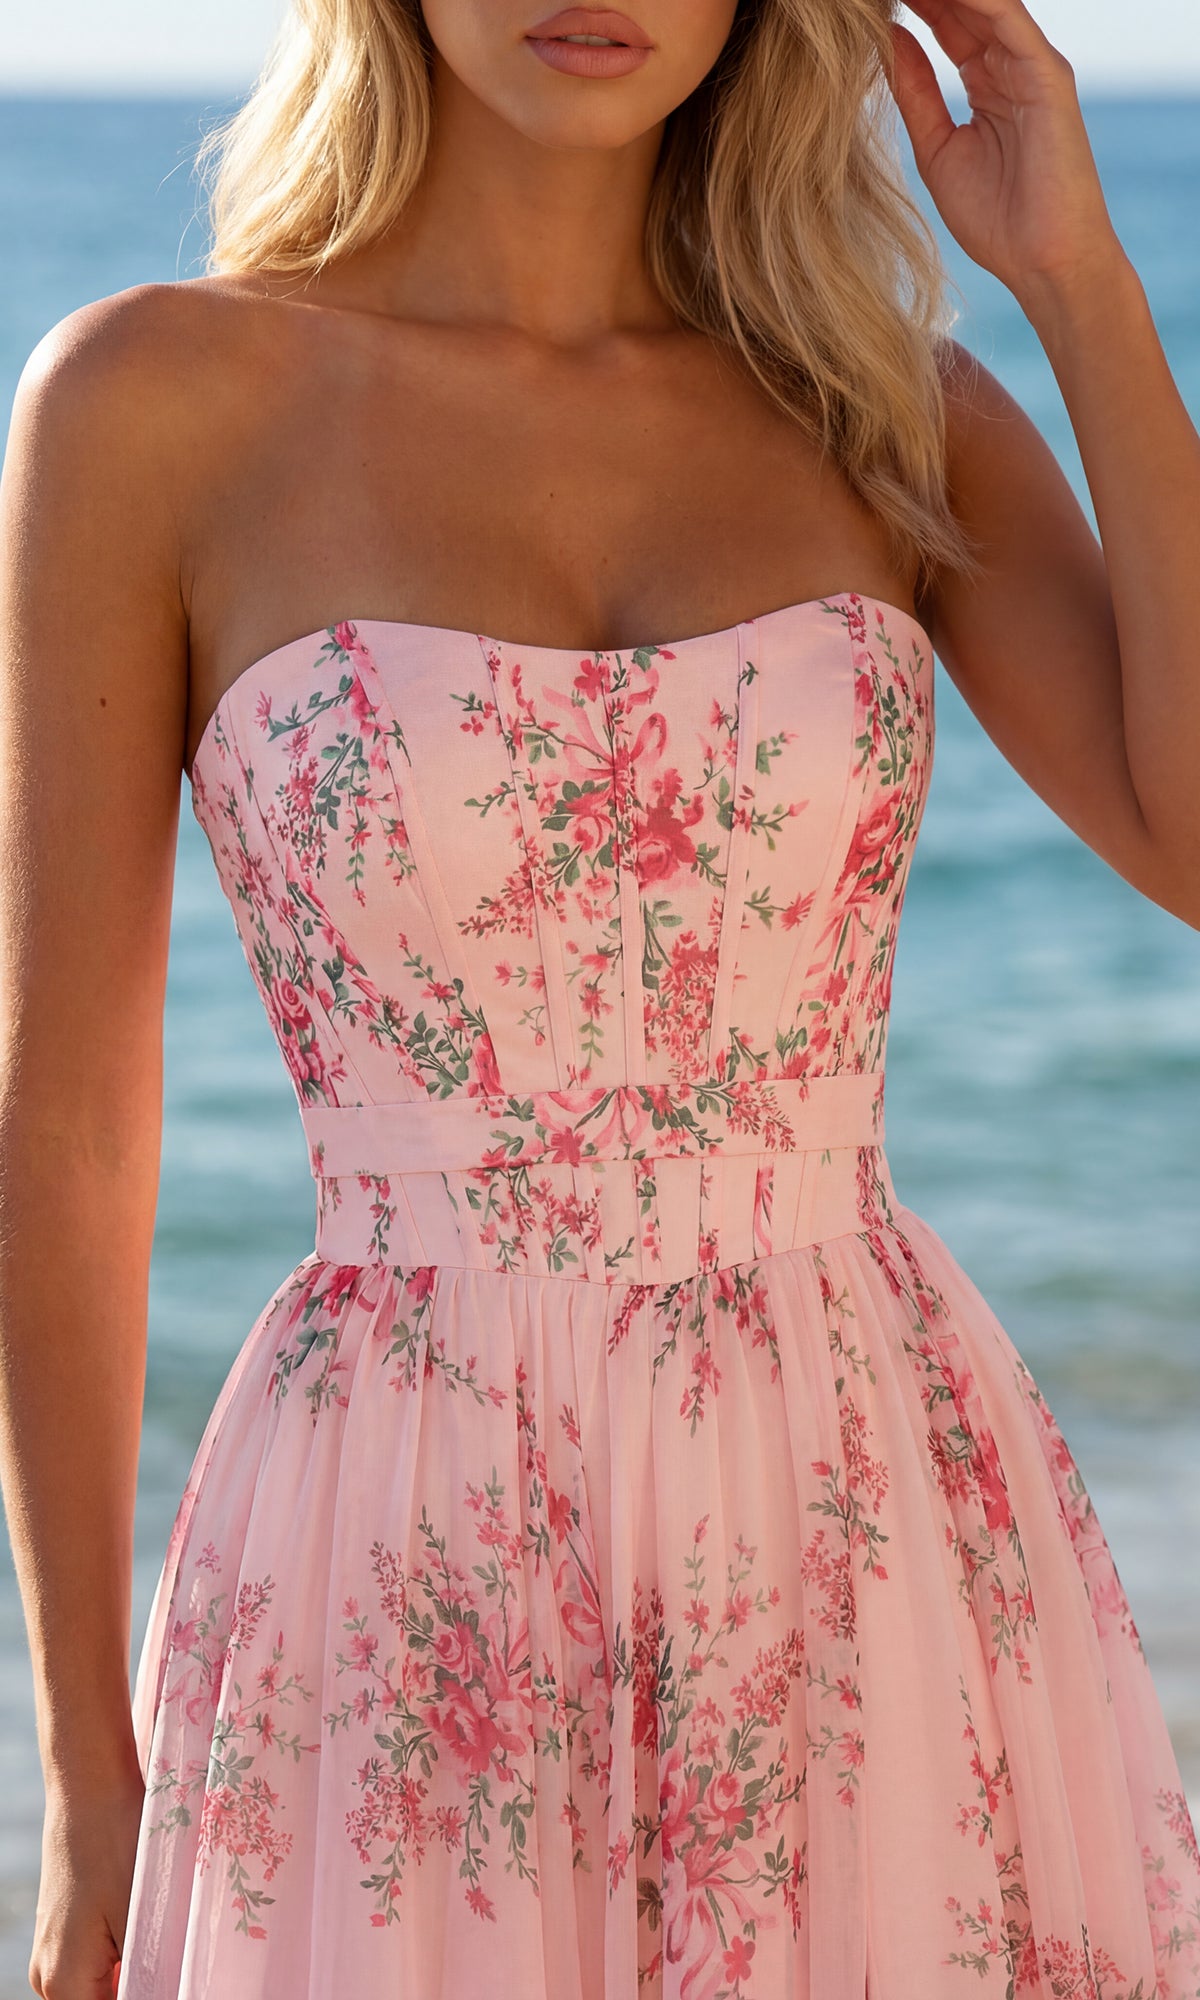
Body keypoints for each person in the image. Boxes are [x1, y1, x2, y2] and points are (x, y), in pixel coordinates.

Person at [1, 0, 1198, 1994]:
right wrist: (88, 1771)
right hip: (394, 1530)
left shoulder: (878, 406)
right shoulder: (155, 402)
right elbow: (74, 1130)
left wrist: (1077, 279)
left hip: (851, 1510)